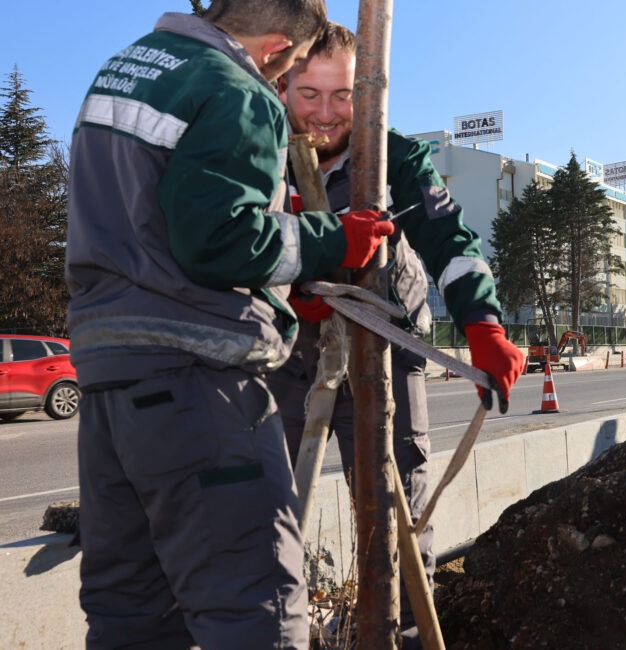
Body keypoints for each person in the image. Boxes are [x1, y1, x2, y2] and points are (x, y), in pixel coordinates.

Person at [63, 2, 409, 647]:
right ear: (278, 48)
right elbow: (220, 241)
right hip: (197, 379)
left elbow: (155, 217)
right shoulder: (236, 89)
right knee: (256, 606)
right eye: (296, 75)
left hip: (112, 374)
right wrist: (330, 242)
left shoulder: (129, 67)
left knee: (132, 609)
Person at [268, 21, 525, 644]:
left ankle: (406, 632)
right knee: (266, 498)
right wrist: (290, 287)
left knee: (397, 504)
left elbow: (452, 243)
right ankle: (277, 631)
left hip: (383, 338)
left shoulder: (396, 158)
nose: (327, 114)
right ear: (280, 88)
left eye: (343, 95)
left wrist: (482, 323)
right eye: (309, 94)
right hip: (285, 346)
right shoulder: (252, 153)